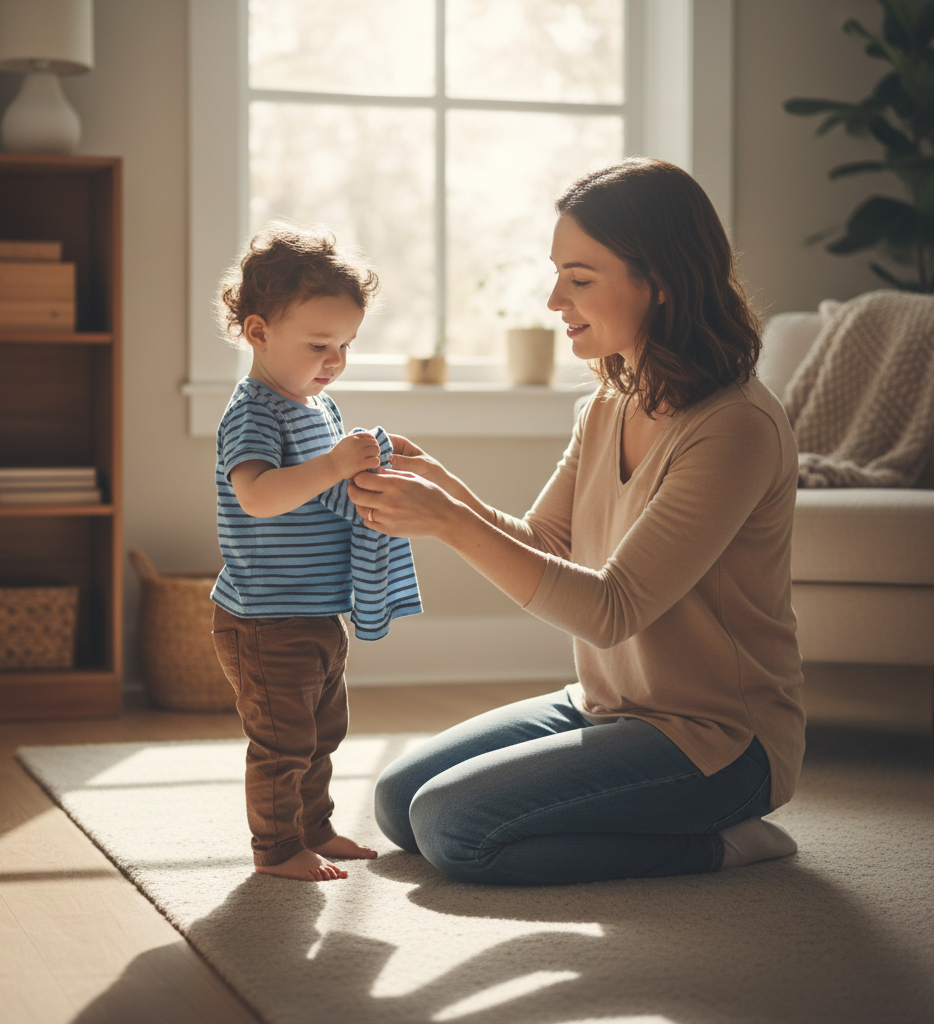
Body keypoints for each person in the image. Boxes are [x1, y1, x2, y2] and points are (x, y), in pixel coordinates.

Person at [349, 157, 806, 886]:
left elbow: (610, 610)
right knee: (399, 802)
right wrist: (445, 491)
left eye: (581, 278)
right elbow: (543, 545)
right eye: (558, 271)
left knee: (454, 829)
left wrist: (446, 523)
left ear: (659, 280)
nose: (555, 297)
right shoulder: (608, 404)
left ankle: (725, 844)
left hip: (718, 742)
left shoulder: (735, 428)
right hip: (607, 706)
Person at [209, 225, 420, 882]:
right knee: (282, 743)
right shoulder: (255, 412)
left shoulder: (315, 405)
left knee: (323, 733)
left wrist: (369, 468)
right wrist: (334, 465)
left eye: (346, 345)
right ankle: (276, 850)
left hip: (313, 613)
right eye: (319, 344)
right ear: (258, 332)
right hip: (265, 619)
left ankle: (314, 826)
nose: (334, 359)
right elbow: (260, 497)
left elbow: (332, 488)